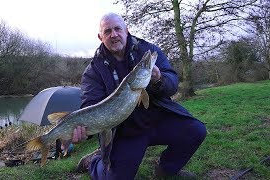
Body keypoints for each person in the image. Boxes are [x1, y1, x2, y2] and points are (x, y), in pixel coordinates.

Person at [72, 12, 207, 179]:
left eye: (117, 29)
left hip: (159, 121)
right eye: (107, 31)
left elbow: (172, 83)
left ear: (126, 31)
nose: (113, 35)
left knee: (196, 131)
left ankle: (166, 169)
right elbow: (90, 105)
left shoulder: (147, 50)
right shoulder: (93, 72)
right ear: (100, 37)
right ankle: (94, 162)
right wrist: (83, 130)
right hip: (126, 133)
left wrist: (159, 80)